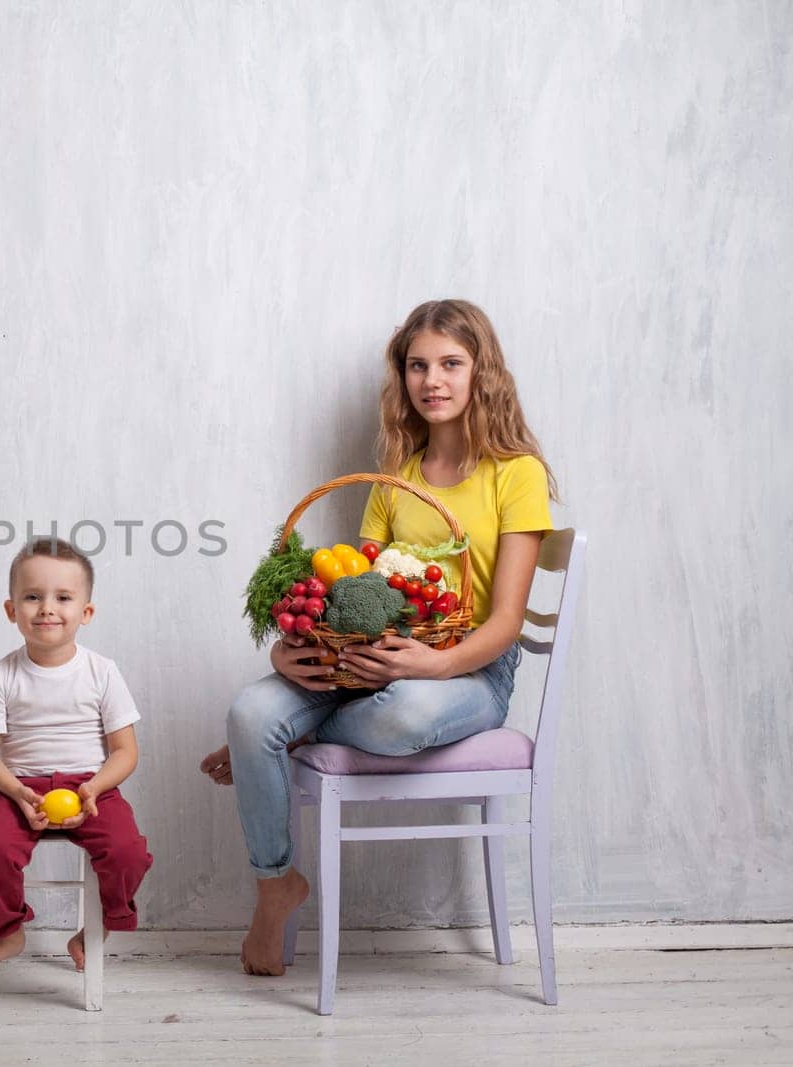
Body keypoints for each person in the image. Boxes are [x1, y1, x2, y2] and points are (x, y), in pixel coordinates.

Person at [201, 299, 557, 977]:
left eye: (451, 363)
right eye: (418, 365)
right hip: (372, 665)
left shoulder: (518, 473)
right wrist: (286, 649)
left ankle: (292, 737)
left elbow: (506, 620)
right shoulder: (398, 480)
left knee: (401, 717)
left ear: (482, 372)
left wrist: (438, 661)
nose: (433, 379)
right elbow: (357, 596)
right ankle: (276, 882)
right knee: (252, 711)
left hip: (471, 673)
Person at [0, 538, 153, 982]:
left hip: (89, 788)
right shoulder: (1, 675)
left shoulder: (102, 671)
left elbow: (125, 750)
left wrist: (96, 787)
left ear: (86, 612)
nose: (47, 608)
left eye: (63, 598)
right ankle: (8, 931)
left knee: (128, 852)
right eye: (32, 597)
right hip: (18, 789)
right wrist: (16, 792)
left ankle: (98, 929)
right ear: (11, 610)